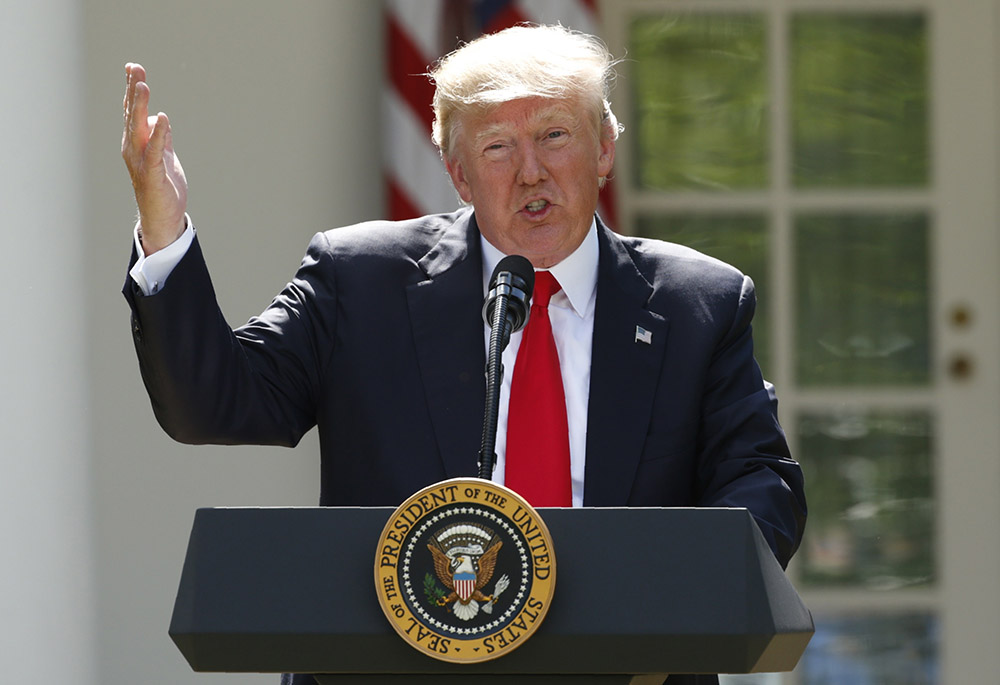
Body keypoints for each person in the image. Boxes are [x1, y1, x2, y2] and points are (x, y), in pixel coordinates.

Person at [122, 25, 805, 685]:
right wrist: (164, 229)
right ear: (457, 173)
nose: (531, 170)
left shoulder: (698, 304)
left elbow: (761, 481)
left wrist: (681, 581)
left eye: (554, 136)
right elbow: (215, 400)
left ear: (603, 149)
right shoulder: (360, 281)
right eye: (499, 148)